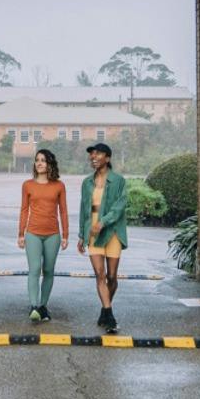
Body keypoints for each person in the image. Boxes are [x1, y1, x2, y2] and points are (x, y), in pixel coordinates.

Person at [76, 141, 128, 334]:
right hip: (92, 232)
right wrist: (82, 234)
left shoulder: (119, 180)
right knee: (100, 274)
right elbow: (83, 209)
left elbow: (120, 206)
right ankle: (109, 314)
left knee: (112, 277)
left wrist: (103, 222)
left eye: (98, 154)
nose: (94, 158)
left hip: (112, 230)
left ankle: (104, 311)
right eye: (92, 155)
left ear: (107, 158)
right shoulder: (87, 182)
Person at [17, 148, 68, 323]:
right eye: (37, 160)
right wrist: (21, 233)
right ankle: (33, 306)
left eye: (43, 160)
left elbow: (63, 211)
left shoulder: (59, 186)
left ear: (50, 164)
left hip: (53, 234)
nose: (39, 163)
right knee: (35, 268)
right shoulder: (28, 185)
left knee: (48, 270)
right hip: (33, 233)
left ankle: (43, 306)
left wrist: (66, 235)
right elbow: (24, 210)